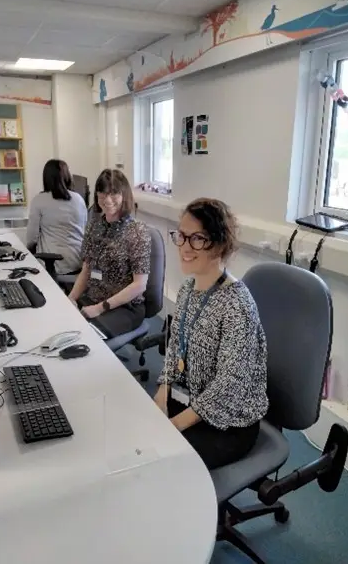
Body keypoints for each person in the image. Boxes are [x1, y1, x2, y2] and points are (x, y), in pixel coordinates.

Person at [154, 198, 268, 471]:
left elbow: (229, 386)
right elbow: (175, 351)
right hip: (191, 400)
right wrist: (162, 392)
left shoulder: (237, 305)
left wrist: (174, 425)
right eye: (181, 236)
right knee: (142, 437)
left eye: (197, 239)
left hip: (229, 423)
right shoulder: (187, 290)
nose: (184, 247)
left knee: (164, 464)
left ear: (218, 244)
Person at [69, 168, 151, 338]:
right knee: (64, 320)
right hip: (93, 296)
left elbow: (139, 285)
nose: (107, 199)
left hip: (125, 307)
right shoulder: (94, 225)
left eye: (113, 193)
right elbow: (87, 268)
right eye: (102, 193)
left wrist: (99, 308)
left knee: (86, 337)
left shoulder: (136, 231)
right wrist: (71, 298)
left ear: (124, 195)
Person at [26, 159, 87, 275]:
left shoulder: (39, 200)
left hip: (53, 264)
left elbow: (31, 238)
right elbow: (84, 229)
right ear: (67, 176)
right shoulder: (79, 199)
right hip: (77, 262)